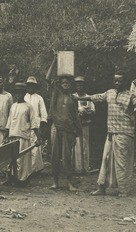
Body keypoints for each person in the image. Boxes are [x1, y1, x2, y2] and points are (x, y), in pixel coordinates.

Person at [75, 71, 136, 196]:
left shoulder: (131, 95)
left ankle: (123, 190)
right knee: (105, 160)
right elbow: (94, 97)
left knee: (122, 163)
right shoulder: (110, 93)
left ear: (125, 81)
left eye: (120, 80)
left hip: (124, 133)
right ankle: (102, 188)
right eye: (116, 80)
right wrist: (77, 98)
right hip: (111, 133)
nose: (117, 83)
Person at [46, 55, 82, 192]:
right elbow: (48, 78)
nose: (65, 85)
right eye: (63, 83)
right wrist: (55, 60)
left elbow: (76, 117)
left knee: (67, 157)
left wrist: (76, 134)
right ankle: (55, 182)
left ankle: (68, 183)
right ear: (60, 85)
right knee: (55, 156)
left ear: (70, 85)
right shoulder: (56, 93)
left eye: (67, 83)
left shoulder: (72, 99)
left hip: (68, 130)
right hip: (56, 128)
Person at [3, 83, 40, 184]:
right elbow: (9, 122)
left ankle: (23, 180)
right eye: (16, 93)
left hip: (23, 136)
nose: (18, 95)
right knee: (11, 160)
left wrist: (38, 138)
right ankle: (11, 179)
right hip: (12, 136)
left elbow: (34, 124)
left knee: (22, 160)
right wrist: (6, 135)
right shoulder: (13, 106)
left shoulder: (28, 107)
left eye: (20, 93)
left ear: (24, 94)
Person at [24, 76, 48, 173]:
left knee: (35, 146)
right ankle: (26, 169)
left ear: (35, 87)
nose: (31, 87)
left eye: (33, 86)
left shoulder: (39, 98)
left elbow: (43, 113)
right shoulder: (24, 97)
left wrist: (42, 125)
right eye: (29, 85)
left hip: (36, 125)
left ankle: (35, 169)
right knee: (26, 146)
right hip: (25, 125)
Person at [73, 76, 95, 172]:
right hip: (76, 124)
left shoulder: (88, 97)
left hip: (86, 123)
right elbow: (71, 111)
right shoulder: (73, 97)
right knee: (76, 145)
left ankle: (85, 167)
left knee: (85, 144)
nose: (79, 87)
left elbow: (93, 110)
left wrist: (87, 112)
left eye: (81, 85)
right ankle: (78, 167)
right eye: (78, 85)